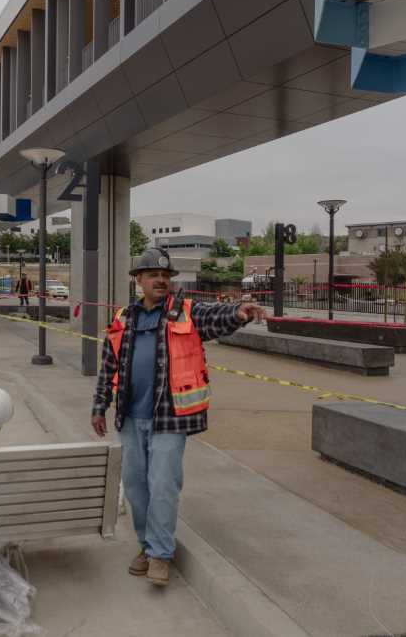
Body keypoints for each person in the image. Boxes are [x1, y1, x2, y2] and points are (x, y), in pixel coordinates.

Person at [90, 247, 265, 587]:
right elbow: (108, 366)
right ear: (138, 279)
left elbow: (216, 318)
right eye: (153, 275)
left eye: (166, 276)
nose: (161, 280)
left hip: (170, 420)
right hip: (130, 419)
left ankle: (160, 554)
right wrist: (100, 406)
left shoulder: (186, 312)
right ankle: (146, 545)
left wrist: (238, 313)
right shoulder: (124, 318)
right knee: (137, 489)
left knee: (163, 487)